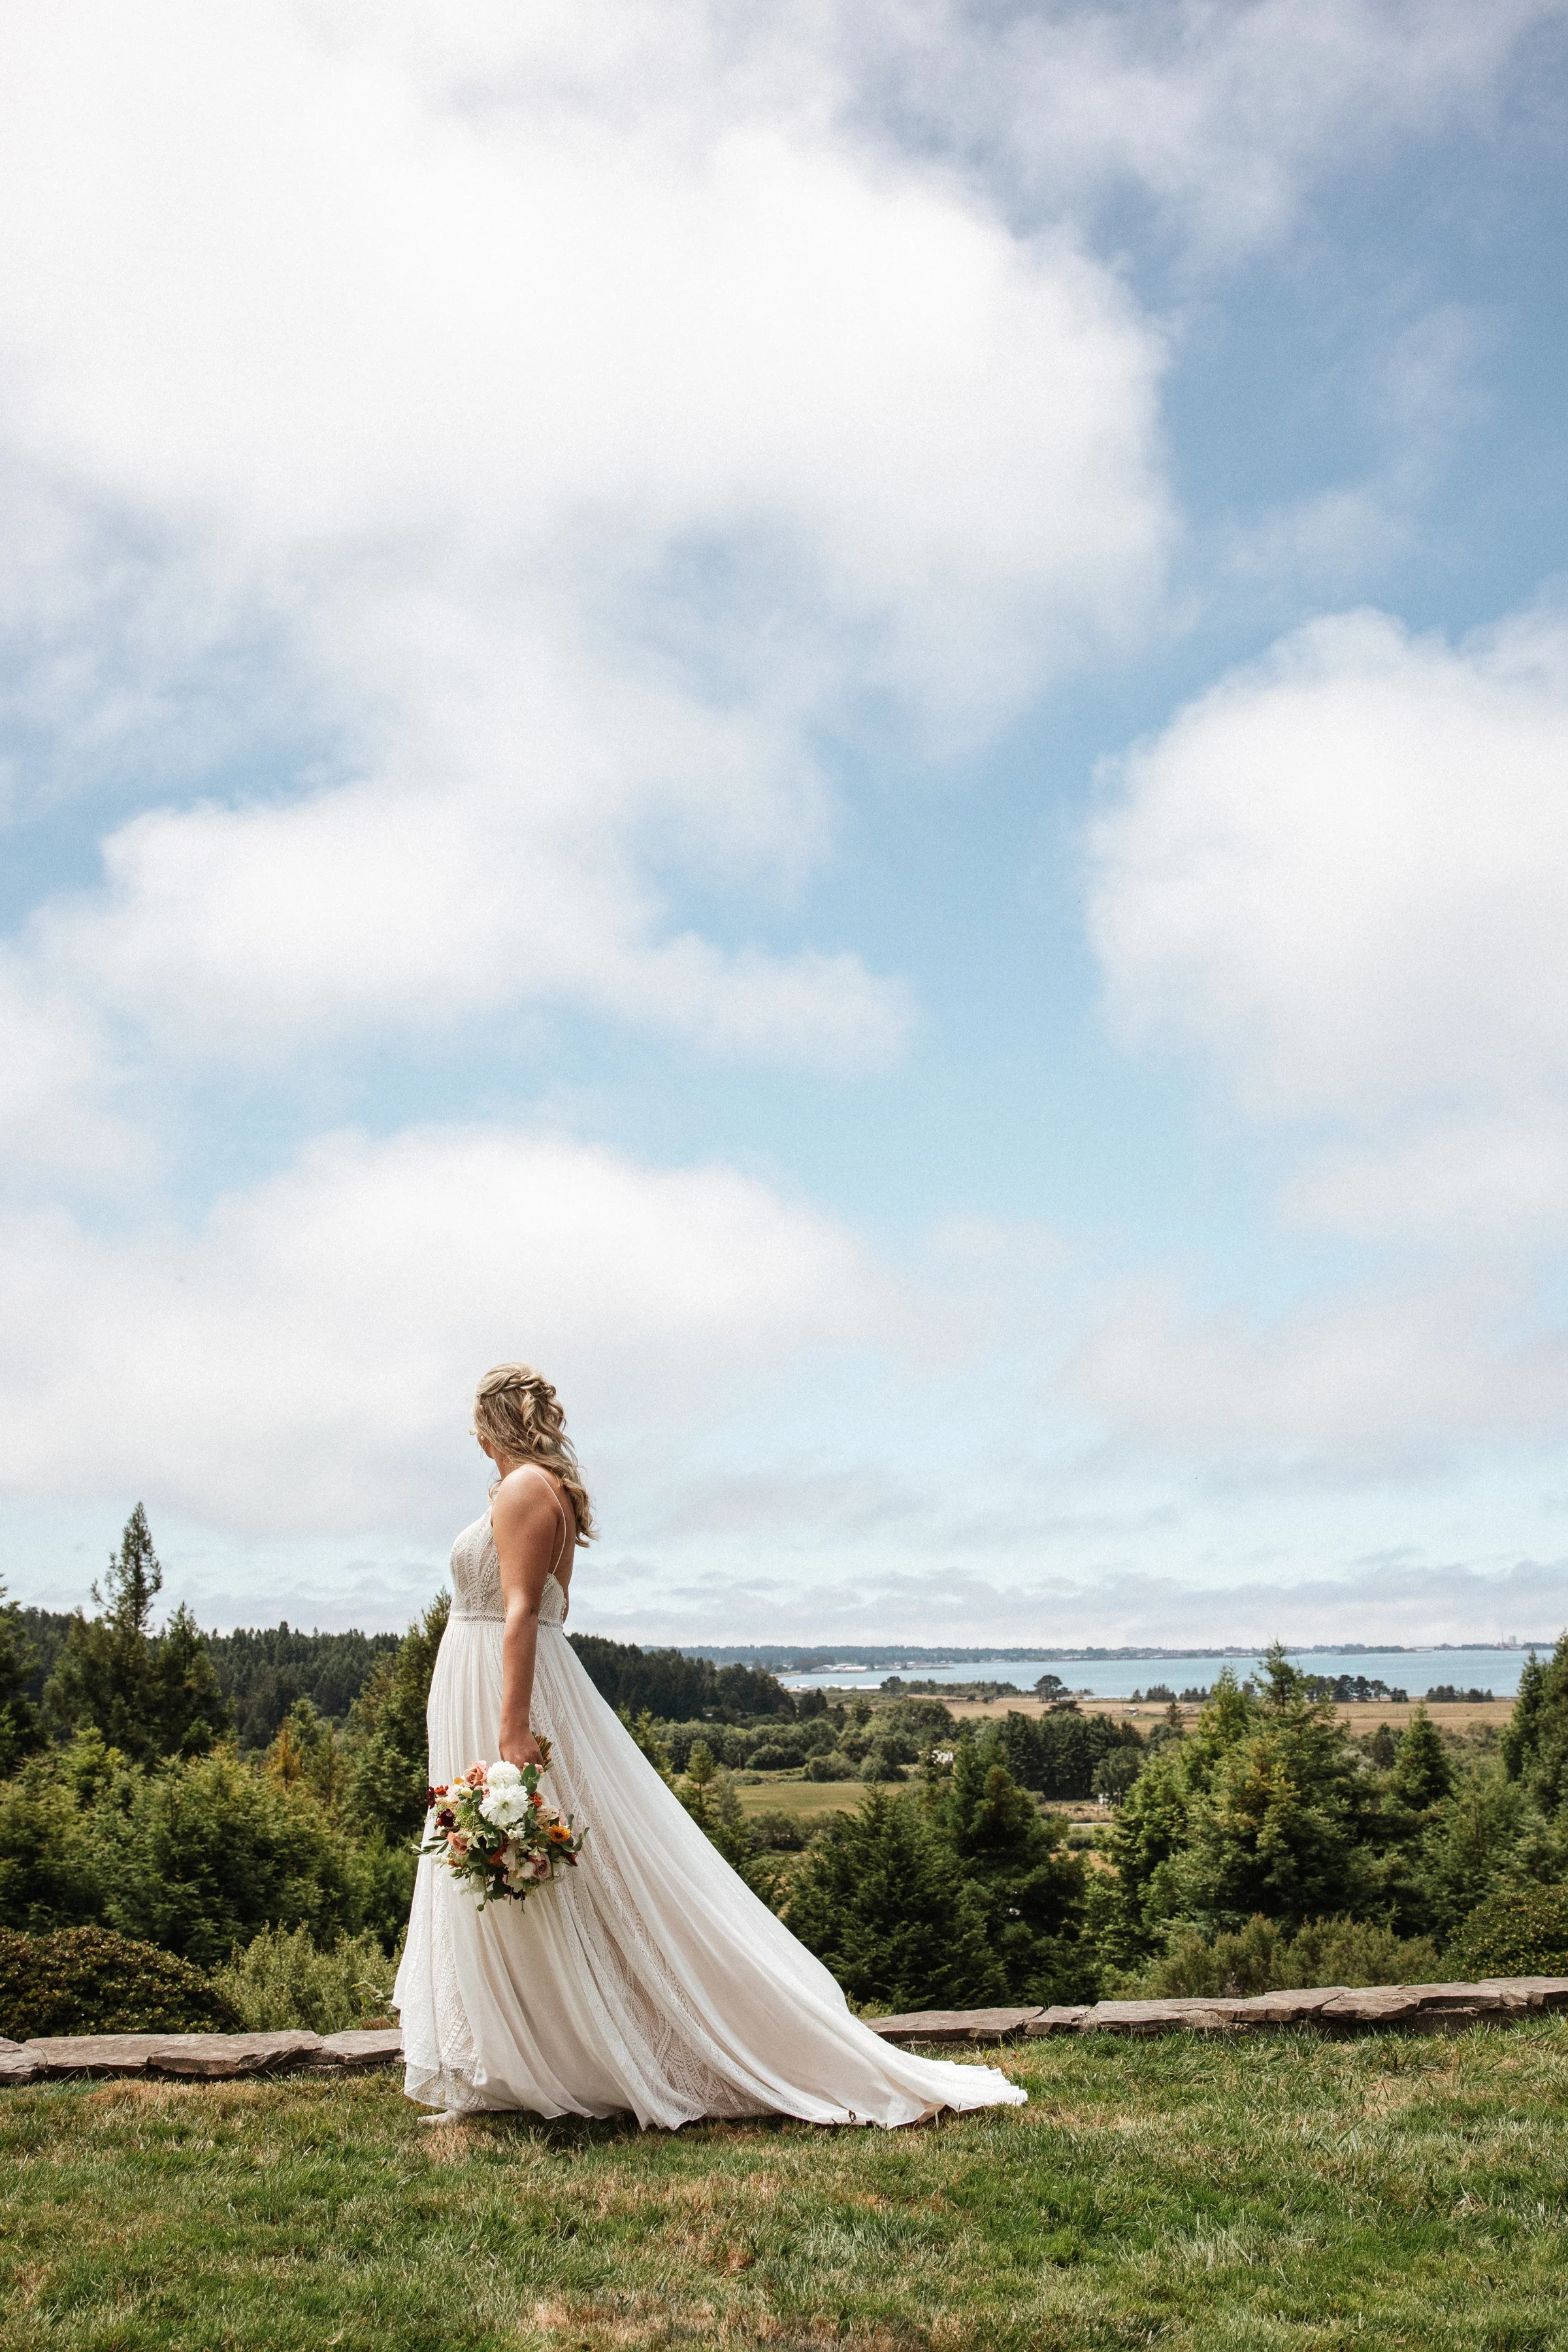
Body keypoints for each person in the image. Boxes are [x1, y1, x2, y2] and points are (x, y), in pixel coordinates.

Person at [394, 1362, 1026, 2128]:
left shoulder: (527, 1488)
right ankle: (524, 2056)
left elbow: (527, 1609)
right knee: (513, 1874)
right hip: (481, 1679)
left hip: (503, 1687)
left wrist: (511, 1726)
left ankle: (592, 2050)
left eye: (476, 1426)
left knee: (549, 1867)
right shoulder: (537, 1489)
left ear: (489, 1423)